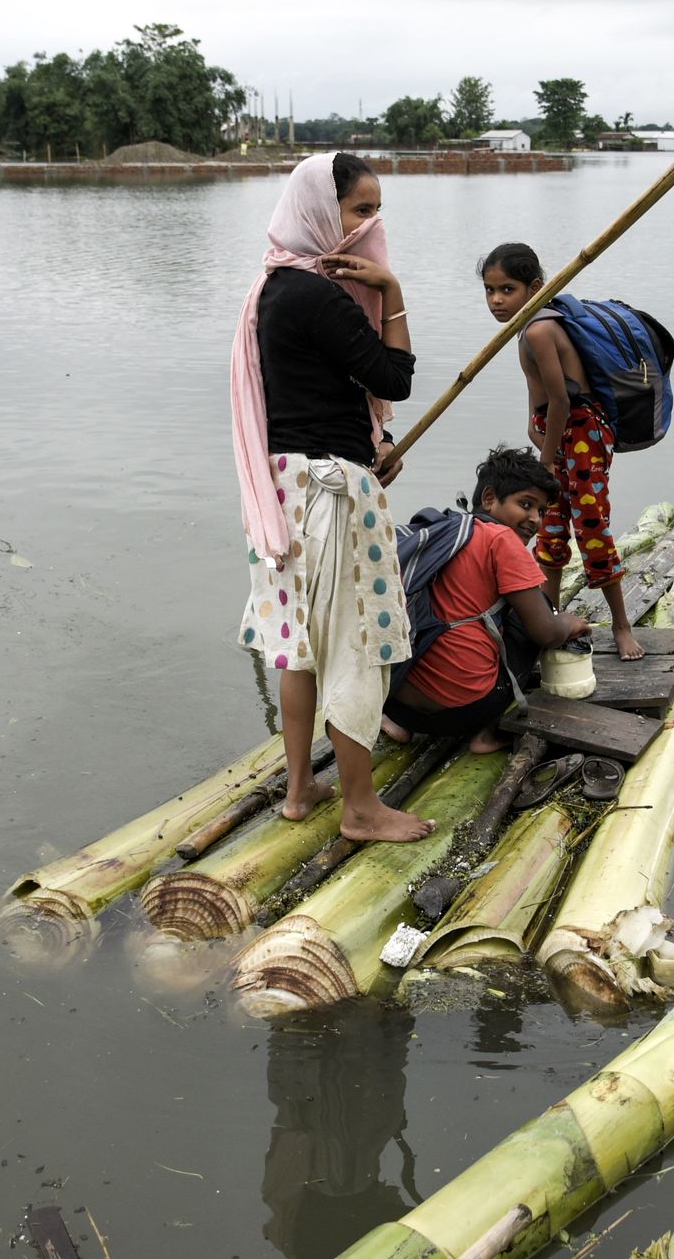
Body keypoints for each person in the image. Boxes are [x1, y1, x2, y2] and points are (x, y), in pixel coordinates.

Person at [230, 153, 435, 844]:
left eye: (377, 209)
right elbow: (394, 376)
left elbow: (313, 394)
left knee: (301, 648)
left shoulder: (273, 288)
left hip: (291, 483)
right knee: (353, 646)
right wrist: (393, 291)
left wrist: (360, 443)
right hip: (330, 497)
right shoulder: (316, 294)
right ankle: (360, 808)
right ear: (322, 211)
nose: (371, 224)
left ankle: (298, 789)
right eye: (360, 209)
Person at [479, 242, 646, 660]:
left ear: (535, 286)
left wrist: (546, 461)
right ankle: (547, 621)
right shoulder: (526, 326)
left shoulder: (539, 328)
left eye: (507, 289)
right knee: (549, 531)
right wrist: (532, 429)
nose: (497, 300)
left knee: (592, 530)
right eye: (490, 290)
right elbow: (539, 394)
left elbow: (562, 401)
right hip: (554, 435)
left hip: (581, 439)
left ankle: (623, 627)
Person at [381, 446, 590, 753]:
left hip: (395, 701)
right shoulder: (501, 540)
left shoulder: (448, 529)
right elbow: (545, 632)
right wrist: (568, 623)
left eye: (542, 511)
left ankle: (396, 722)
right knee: (539, 613)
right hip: (462, 713)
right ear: (490, 498)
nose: (535, 520)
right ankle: (487, 732)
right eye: (526, 504)